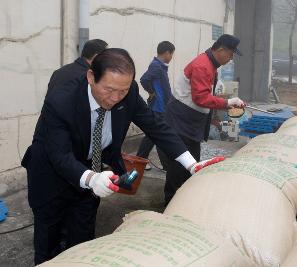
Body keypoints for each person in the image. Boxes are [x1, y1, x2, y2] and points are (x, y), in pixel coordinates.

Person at [21, 48, 222, 265]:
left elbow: (156, 126)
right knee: (48, 243)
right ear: (91, 78)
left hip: (90, 170)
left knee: (82, 243)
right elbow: (60, 156)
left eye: (123, 91)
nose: (116, 98)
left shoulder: (129, 92)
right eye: (109, 89)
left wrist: (191, 164)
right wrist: (91, 178)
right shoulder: (61, 100)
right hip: (50, 174)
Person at [164, 34, 245, 205]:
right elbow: (200, 98)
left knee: (191, 162)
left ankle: (183, 199)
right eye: (230, 54)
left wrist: (213, 117)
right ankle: (172, 203)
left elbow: (204, 98)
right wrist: (227, 102)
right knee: (180, 165)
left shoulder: (210, 64)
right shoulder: (203, 66)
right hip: (182, 121)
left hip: (190, 121)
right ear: (221, 50)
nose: (231, 59)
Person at [136, 41, 175, 170]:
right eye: (172, 54)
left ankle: (141, 160)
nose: (172, 57)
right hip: (159, 107)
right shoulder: (156, 66)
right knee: (159, 134)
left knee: (153, 135)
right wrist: (152, 92)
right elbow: (144, 79)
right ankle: (163, 164)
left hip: (161, 106)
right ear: (167, 52)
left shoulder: (159, 66)